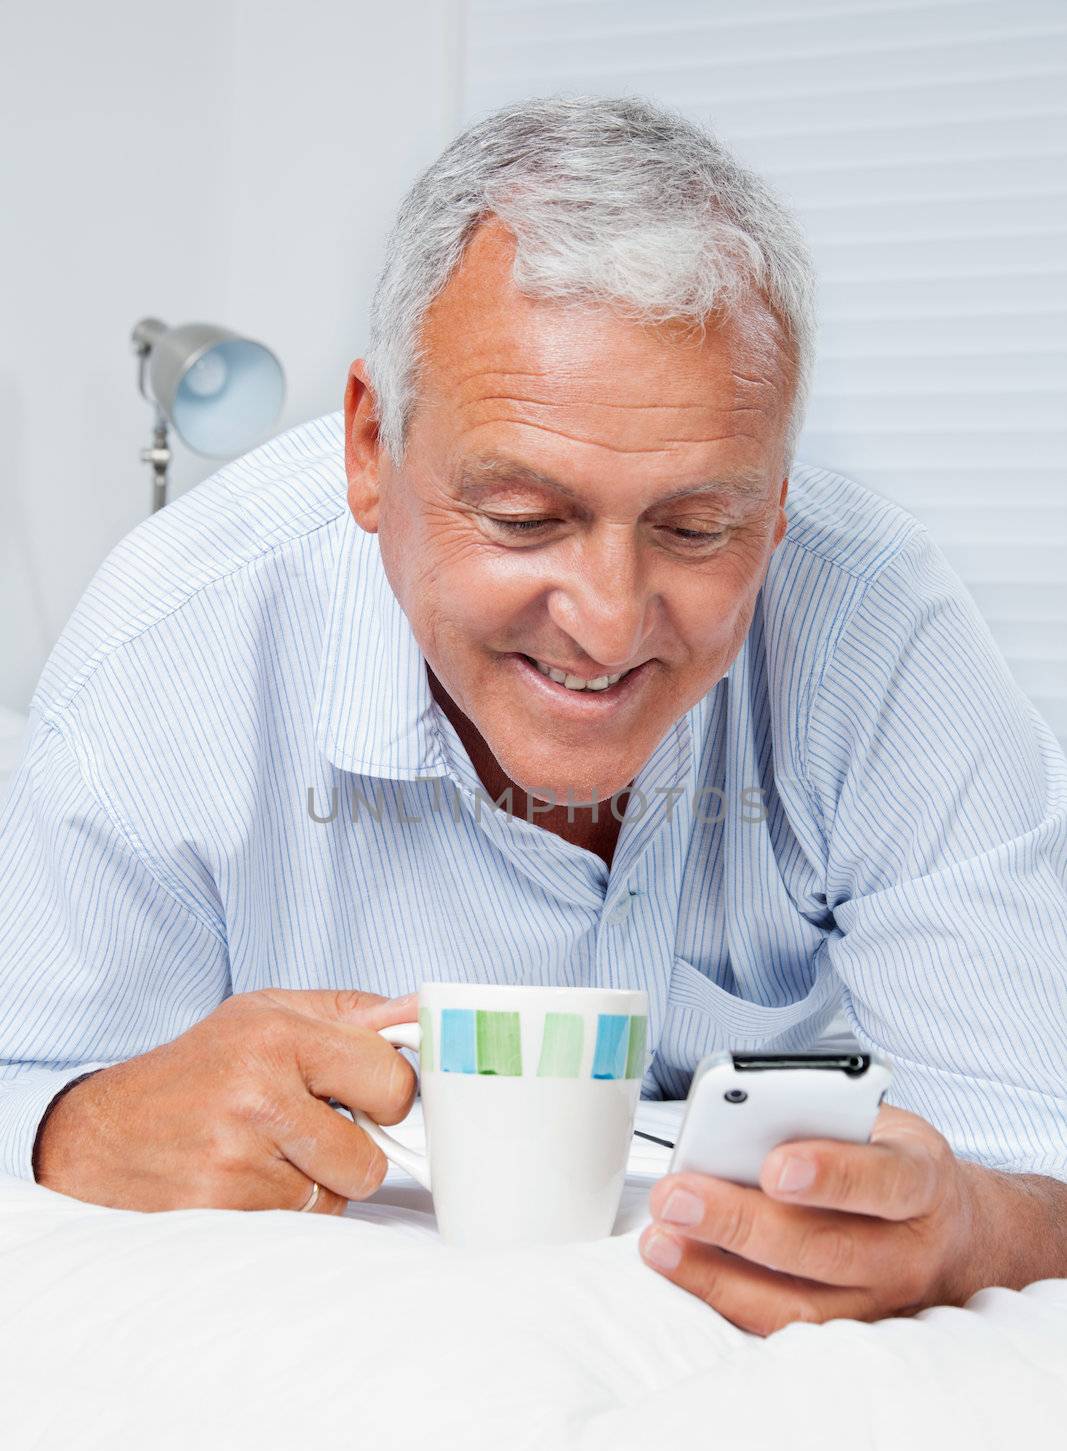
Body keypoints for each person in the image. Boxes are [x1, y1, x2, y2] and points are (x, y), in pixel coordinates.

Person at [1, 94, 1064, 1336]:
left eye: (695, 526)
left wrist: (965, 1230)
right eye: (521, 518)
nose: (608, 624)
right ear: (366, 447)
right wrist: (83, 1124)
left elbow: (1032, 1153)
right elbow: (33, 1089)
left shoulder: (877, 631)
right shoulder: (167, 650)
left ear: (775, 503)